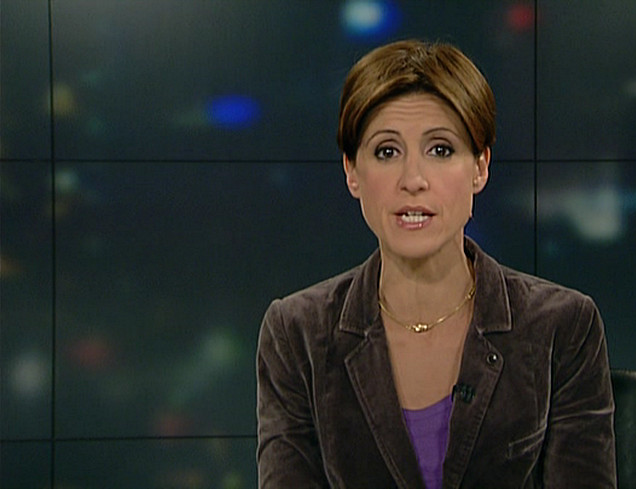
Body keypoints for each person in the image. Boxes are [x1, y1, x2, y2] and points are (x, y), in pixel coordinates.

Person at [257, 39, 616, 488]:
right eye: (387, 152)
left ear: (480, 167)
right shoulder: (297, 335)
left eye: (441, 150)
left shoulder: (561, 327)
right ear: (351, 171)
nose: (413, 180)